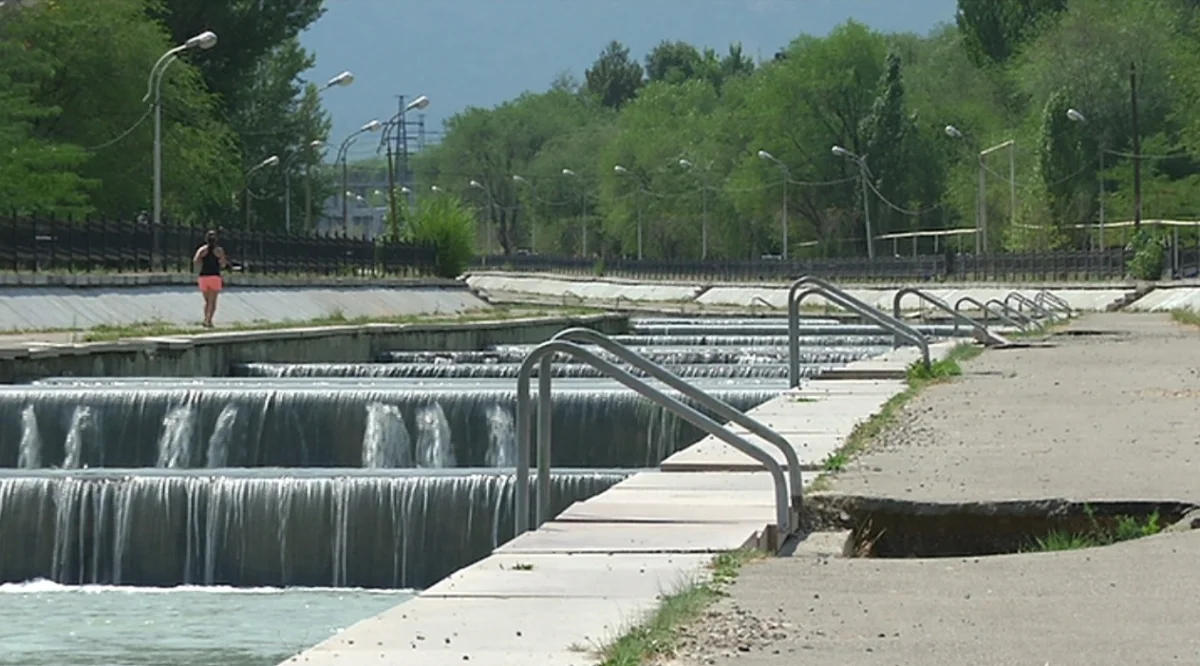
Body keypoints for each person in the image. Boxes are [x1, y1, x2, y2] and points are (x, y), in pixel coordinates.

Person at [193, 230, 231, 328]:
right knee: (212, 301)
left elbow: (196, 260)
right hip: (214, 276)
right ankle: (209, 321)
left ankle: (205, 318)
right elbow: (223, 263)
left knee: (207, 301)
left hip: (203, 277)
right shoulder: (219, 250)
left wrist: (202, 263)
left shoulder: (202, 249)